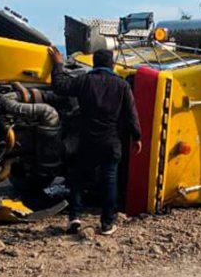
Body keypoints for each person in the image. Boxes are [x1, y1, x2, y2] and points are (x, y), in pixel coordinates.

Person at [48, 46, 142, 235]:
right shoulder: (122, 85)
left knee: (78, 179)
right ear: (112, 65)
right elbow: (131, 114)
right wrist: (136, 136)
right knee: (109, 181)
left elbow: (60, 86)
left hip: (87, 140)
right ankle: (107, 224)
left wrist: (57, 64)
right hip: (111, 141)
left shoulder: (84, 80)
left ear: (94, 63)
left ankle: (74, 217)